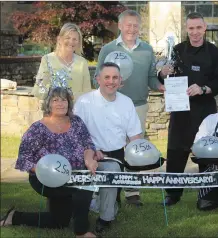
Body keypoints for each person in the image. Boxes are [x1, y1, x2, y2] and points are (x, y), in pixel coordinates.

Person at [0, 87, 98, 238]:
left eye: (64, 99)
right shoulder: (37, 128)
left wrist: (89, 159)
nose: (60, 103)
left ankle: (15, 217)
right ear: (48, 104)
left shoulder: (77, 122)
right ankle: (81, 231)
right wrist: (43, 171)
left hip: (74, 174)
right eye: (55, 100)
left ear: (69, 103)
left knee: (59, 222)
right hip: (45, 179)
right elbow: (23, 159)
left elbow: (88, 145)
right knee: (84, 187)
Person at [94, 10, 165, 206]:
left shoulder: (147, 49)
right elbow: (97, 78)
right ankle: (106, 189)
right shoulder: (107, 49)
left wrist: (160, 86)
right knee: (110, 147)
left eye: (135, 25)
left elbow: (151, 77)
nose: (132, 29)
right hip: (111, 106)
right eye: (128, 25)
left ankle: (132, 191)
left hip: (138, 106)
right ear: (120, 26)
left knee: (134, 149)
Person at [158, 12, 218, 206]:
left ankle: (206, 194)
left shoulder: (214, 52)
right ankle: (172, 193)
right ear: (186, 29)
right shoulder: (177, 49)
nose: (195, 32)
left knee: (206, 151)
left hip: (205, 111)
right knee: (175, 152)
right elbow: (165, 78)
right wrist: (162, 73)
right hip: (180, 111)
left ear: (204, 28)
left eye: (198, 27)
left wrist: (203, 88)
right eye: (191, 28)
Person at [74, 62, 142, 233]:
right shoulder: (84, 102)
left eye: (115, 78)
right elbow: (74, 134)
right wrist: (89, 153)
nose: (111, 81)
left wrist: (138, 157)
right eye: (107, 77)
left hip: (116, 155)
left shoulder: (126, 102)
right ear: (98, 79)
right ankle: (98, 215)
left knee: (111, 183)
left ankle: (104, 213)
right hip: (87, 153)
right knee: (102, 183)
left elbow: (134, 136)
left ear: (120, 81)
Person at [32, 23, 92, 101]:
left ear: (78, 42)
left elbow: (87, 93)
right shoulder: (47, 60)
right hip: (54, 110)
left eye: (74, 39)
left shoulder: (82, 62)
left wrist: (71, 96)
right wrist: (56, 94)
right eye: (67, 38)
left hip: (76, 111)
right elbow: (38, 90)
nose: (71, 42)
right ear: (59, 39)